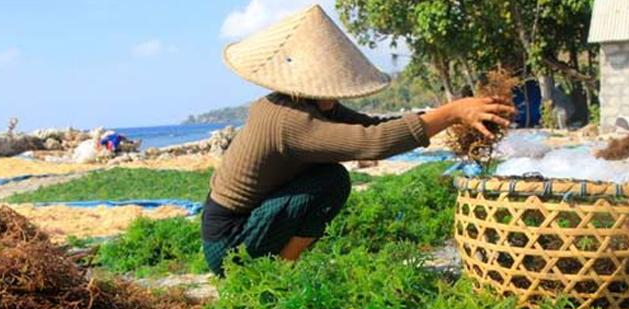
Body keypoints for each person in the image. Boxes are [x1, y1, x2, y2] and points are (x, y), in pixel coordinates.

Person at [203, 4, 514, 276]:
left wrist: (450, 114)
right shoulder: (288, 121)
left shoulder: (308, 105)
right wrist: (449, 114)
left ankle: (281, 264)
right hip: (229, 242)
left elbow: (374, 126)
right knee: (332, 180)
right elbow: (372, 142)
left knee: (325, 177)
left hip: (247, 220)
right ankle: (278, 274)